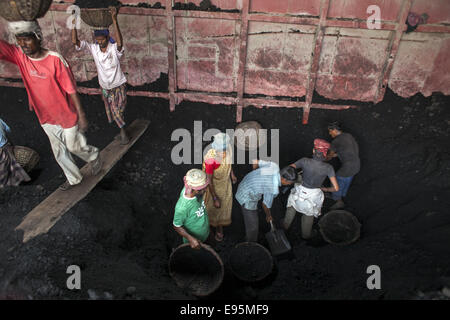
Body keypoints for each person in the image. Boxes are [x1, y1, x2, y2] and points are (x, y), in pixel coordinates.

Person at [0, 20, 101, 191]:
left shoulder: (55, 60)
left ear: (38, 38)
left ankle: (93, 156)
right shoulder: (21, 56)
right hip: (45, 117)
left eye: (27, 39)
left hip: (66, 115)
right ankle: (74, 179)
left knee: (73, 146)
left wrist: (81, 115)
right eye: (19, 39)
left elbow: (71, 90)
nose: (23, 44)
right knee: (59, 151)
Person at [72, 7, 129, 144]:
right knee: (114, 111)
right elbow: (76, 42)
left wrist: (114, 20)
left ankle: (123, 132)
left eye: (102, 39)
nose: (99, 42)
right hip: (105, 87)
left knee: (118, 110)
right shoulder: (94, 48)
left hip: (118, 85)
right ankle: (122, 132)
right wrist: (74, 24)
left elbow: (120, 43)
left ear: (108, 37)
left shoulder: (114, 49)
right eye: (97, 39)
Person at [284, 139, 339, 239]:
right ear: (325, 154)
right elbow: (336, 188)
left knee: (292, 205)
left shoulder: (304, 161)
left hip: (300, 191)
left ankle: (285, 226)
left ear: (314, 151)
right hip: (313, 195)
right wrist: (325, 189)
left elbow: (289, 169)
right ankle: (306, 235)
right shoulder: (328, 168)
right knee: (309, 213)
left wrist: (296, 177)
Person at [235, 160, 297, 242]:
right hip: (246, 196)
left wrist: (255, 176)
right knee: (253, 227)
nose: (289, 185)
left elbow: (255, 162)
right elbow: (265, 205)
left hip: (245, 182)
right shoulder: (272, 187)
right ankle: (250, 244)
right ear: (283, 179)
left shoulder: (274, 167)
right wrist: (268, 215)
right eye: (289, 183)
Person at [202, 132, 237, 242]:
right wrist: (215, 198)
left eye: (224, 150)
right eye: (221, 151)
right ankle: (211, 228)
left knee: (223, 207)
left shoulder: (228, 149)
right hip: (214, 187)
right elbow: (209, 180)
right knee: (213, 208)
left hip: (225, 183)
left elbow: (229, 162)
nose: (223, 153)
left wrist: (232, 175)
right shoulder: (210, 160)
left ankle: (219, 226)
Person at [173, 169, 210, 249]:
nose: (206, 190)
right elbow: (177, 226)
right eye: (204, 188)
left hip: (205, 230)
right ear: (196, 190)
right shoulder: (182, 207)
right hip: (196, 239)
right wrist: (191, 239)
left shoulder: (190, 187)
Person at [327, 121, 360, 210]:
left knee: (336, 181)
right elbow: (349, 149)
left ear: (334, 130)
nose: (330, 134)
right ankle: (342, 194)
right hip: (356, 165)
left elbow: (329, 157)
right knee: (346, 180)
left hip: (347, 168)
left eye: (330, 131)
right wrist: (338, 154)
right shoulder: (348, 135)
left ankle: (338, 200)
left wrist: (324, 157)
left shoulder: (335, 142)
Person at [0, 118, 31, 187]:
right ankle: (20, 180)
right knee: (13, 163)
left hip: (1, 149)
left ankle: (16, 182)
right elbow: (8, 129)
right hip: (7, 145)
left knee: (5, 167)